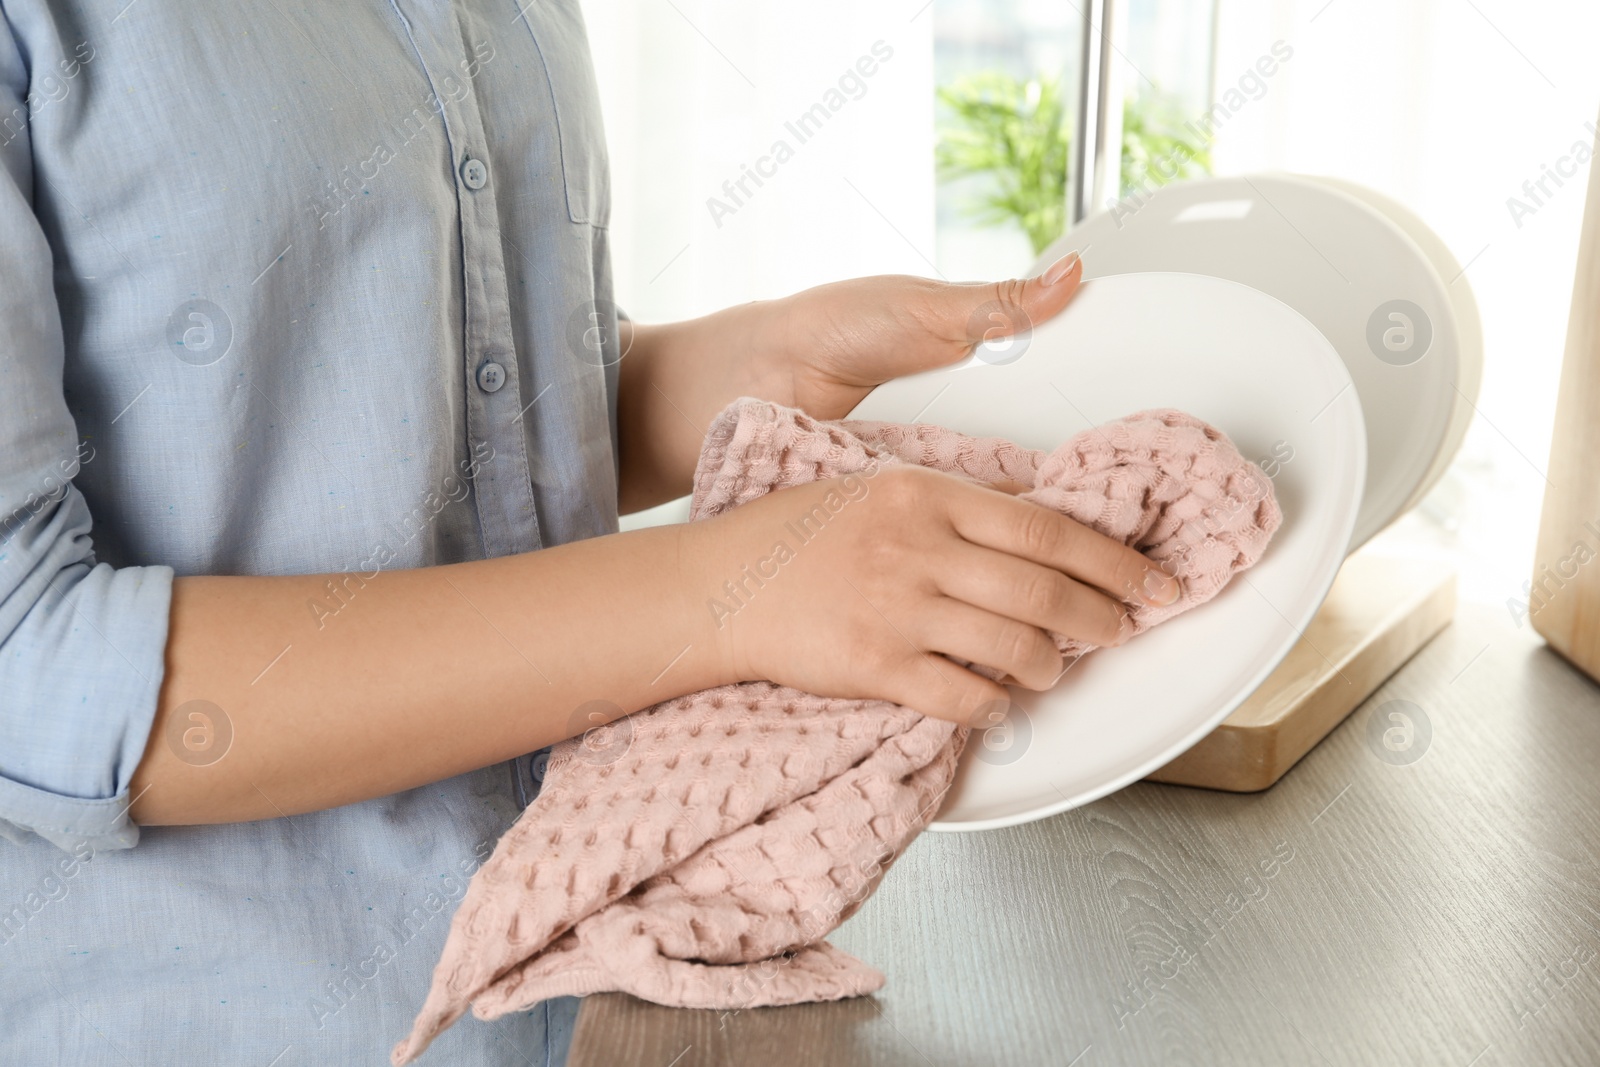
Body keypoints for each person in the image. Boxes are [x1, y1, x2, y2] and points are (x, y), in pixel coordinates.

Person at [0, 2, 1179, 1063]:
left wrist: (759, 364)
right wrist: (719, 597)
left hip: (595, 992)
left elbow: (432, 423)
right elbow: (30, 668)